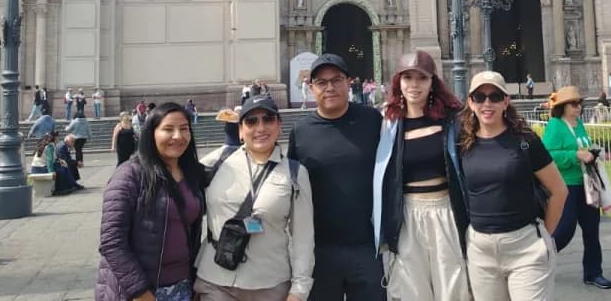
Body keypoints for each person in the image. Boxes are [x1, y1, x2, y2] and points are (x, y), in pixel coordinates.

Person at [455, 71, 567, 300]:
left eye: (495, 96)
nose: (487, 103)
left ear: (506, 101)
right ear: (470, 102)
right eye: (479, 97)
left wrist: (544, 233)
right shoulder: (462, 143)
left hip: (525, 247)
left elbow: (559, 191)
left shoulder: (525, 141)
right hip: (480, 249)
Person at [195, 94, 314, 300]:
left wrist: (299, 290)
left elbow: (303, 237)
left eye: (268, 119)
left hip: (269, 283)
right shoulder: (218, 161)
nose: (260, 128)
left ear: (279, 125)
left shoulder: (295, 173)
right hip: (215, 281)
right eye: (251, 121)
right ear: (240, 130)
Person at [372, 51, 469, 300]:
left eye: (421, 78)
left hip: (445, 211)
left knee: (453, 286)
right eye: (407, 78)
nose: (414, 85)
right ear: (398, 83)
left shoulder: (451, 122)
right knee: (412, 290)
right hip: (407, 216)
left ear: (432, 82)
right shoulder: (388, 124)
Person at [288, 53, 385, 301]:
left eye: (336, 80)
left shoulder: (372, 120)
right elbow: (292, 188)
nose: (329, 87)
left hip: (368, 249)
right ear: (311, 88)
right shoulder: (300, 132)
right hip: (319, 251)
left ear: (349, 82)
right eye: (321, 82)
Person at [96, 102, 205, 301]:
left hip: (183, 287)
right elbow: (112, 242)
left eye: (184, 129)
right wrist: (142, 293)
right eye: (168, 129)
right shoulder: (129, 175)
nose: (178, 136)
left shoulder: (193, 173)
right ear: (151, 133)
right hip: (138, 292)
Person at [542, 86, 611, 289]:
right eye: (574, 104)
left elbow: (582, 147)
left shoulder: (579, 124)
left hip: (586, 184)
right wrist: (575, 155)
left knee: (592, 229)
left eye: (580, 103)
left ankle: (593, 272)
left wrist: (590, 153)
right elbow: (548, 155)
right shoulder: (555, 126)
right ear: (563, 107)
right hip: (566, 186)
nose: (578, 107)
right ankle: (539, 259)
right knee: (565, 230)